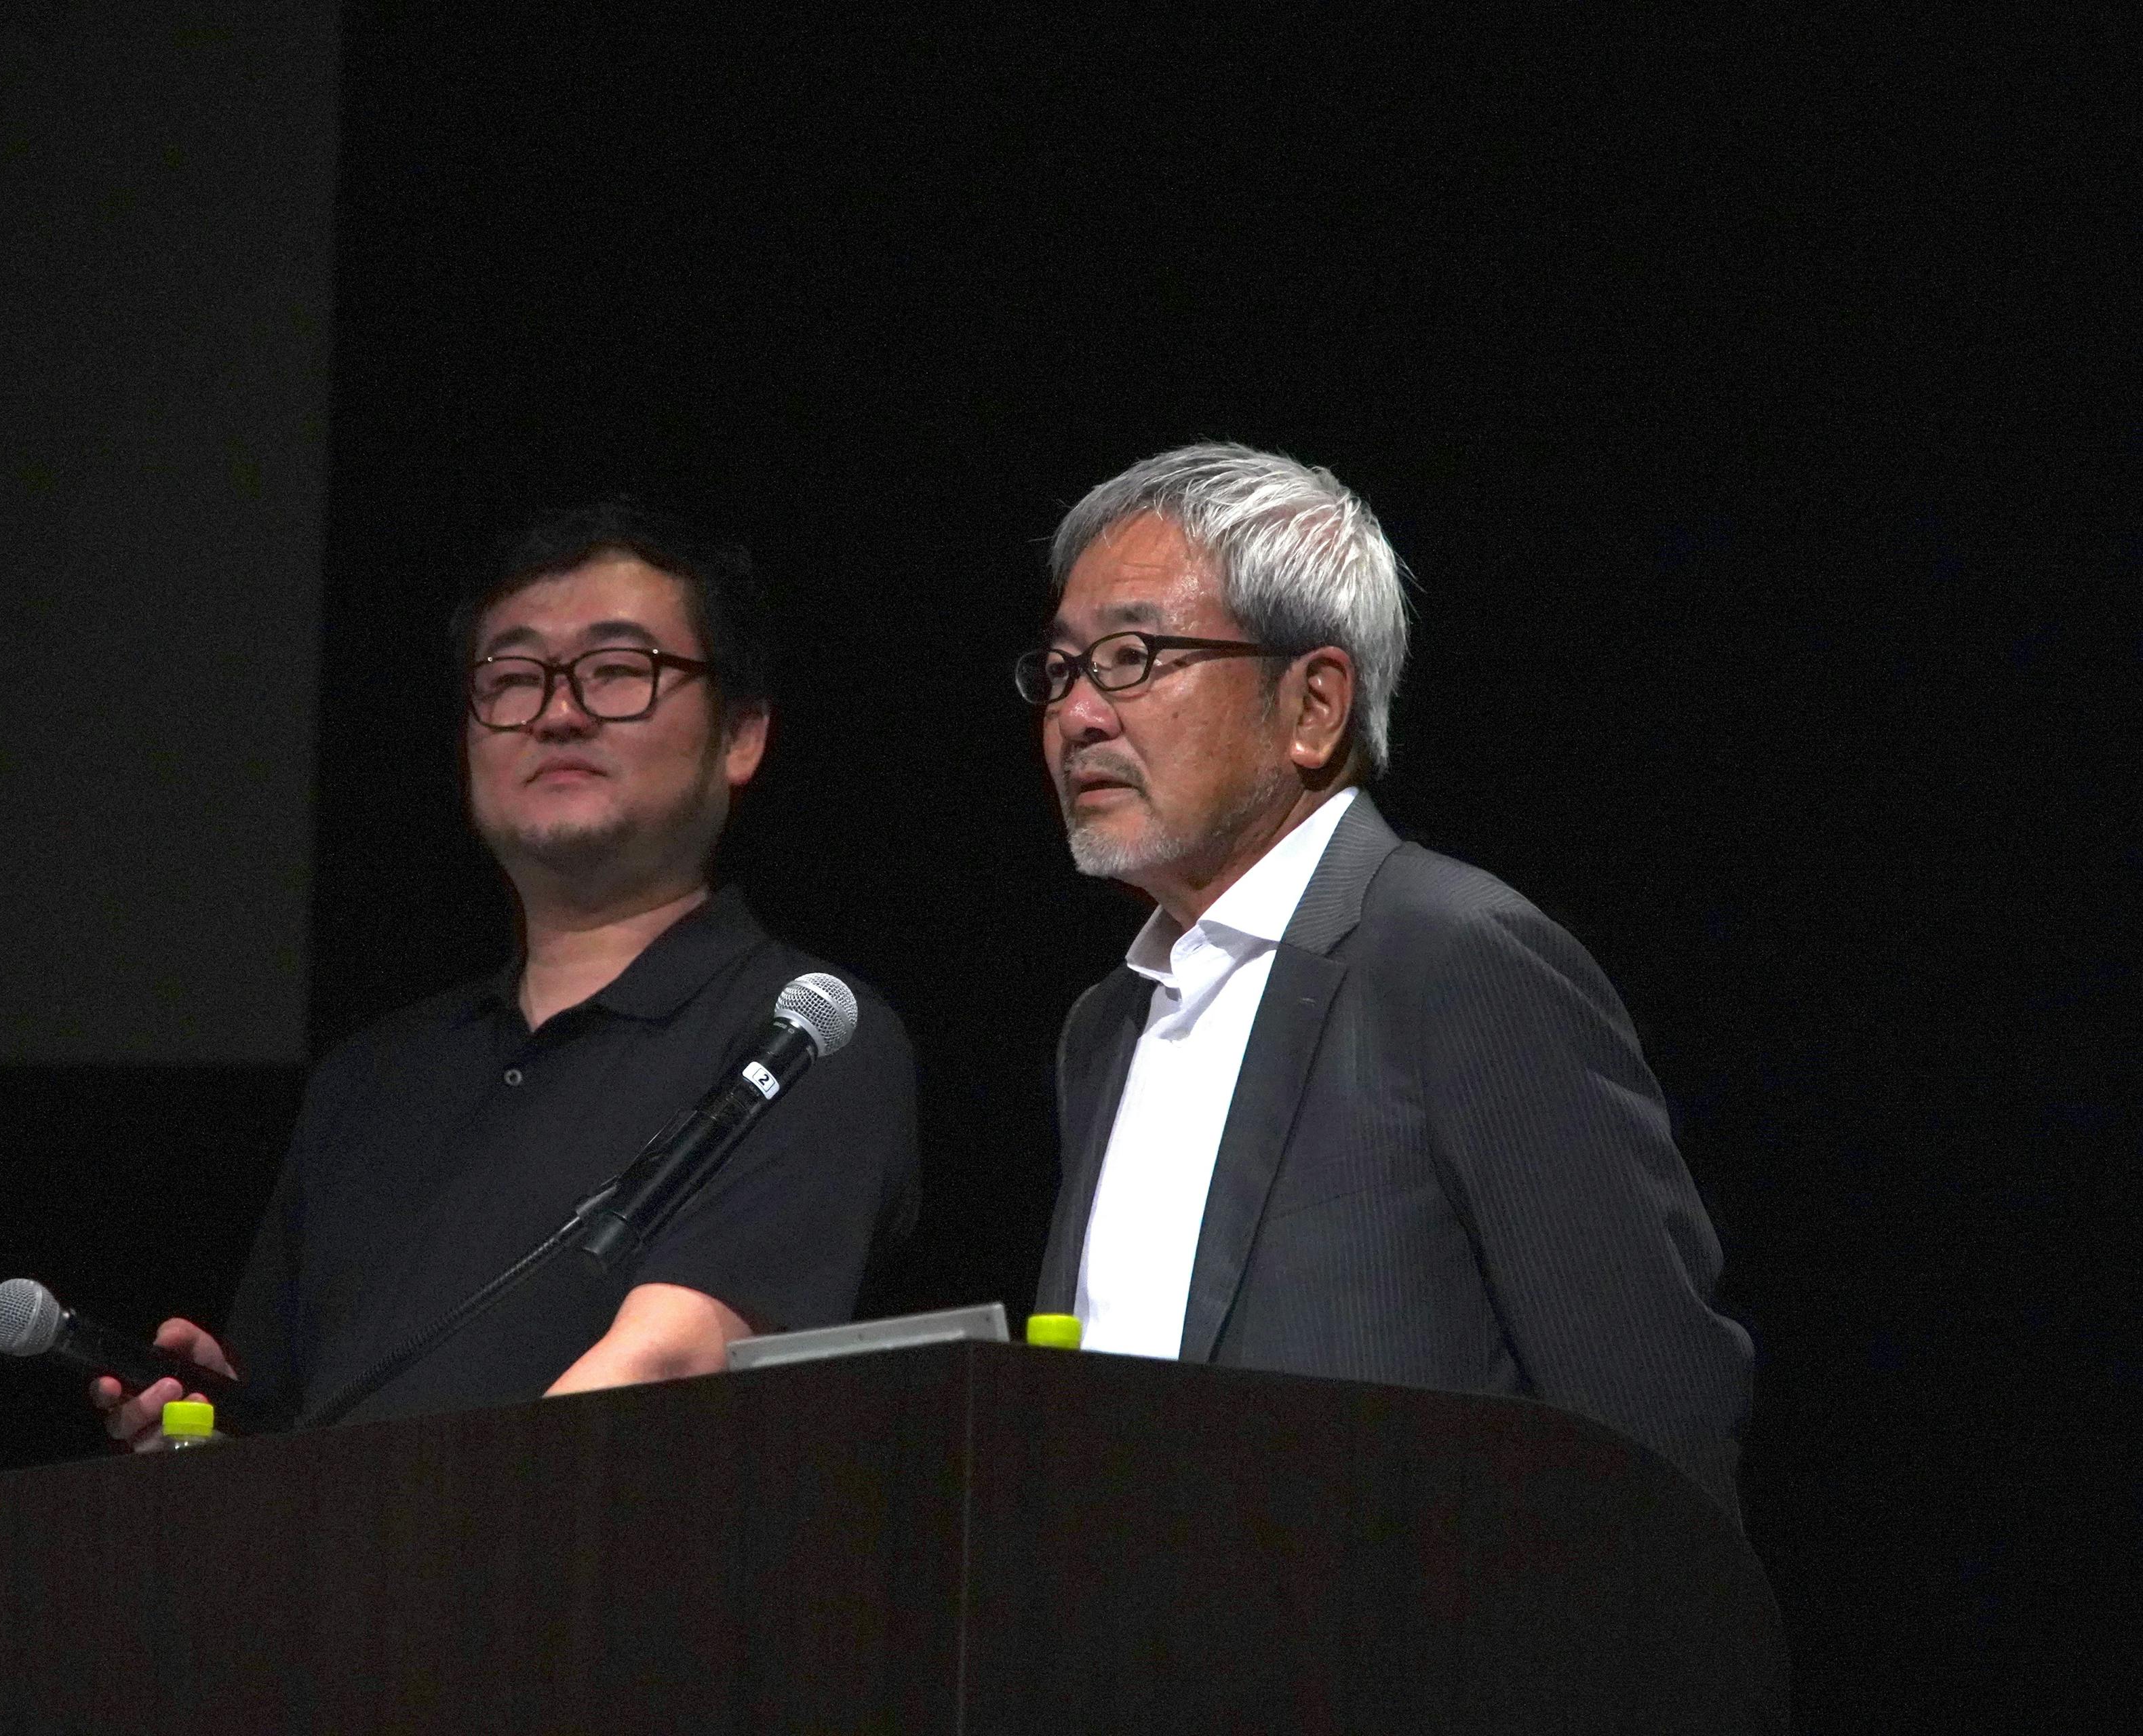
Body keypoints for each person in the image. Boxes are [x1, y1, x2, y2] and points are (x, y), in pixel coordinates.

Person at [1019, 442, 1752, 1514]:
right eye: (1064, 669)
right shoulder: (1106, 1026)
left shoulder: (1458, 963)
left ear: (1314, 705)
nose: (1079, 713)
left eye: (1133, 656)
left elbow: (1655, 1439)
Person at [96, 503, 918, 1446]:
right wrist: (216, 1434)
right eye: (514, 678)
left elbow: (666, 1367)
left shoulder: (805, 1036)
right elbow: (284, 1437)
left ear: (740, 734)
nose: (559, 713)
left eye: (617, 671)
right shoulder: (369, 1079)